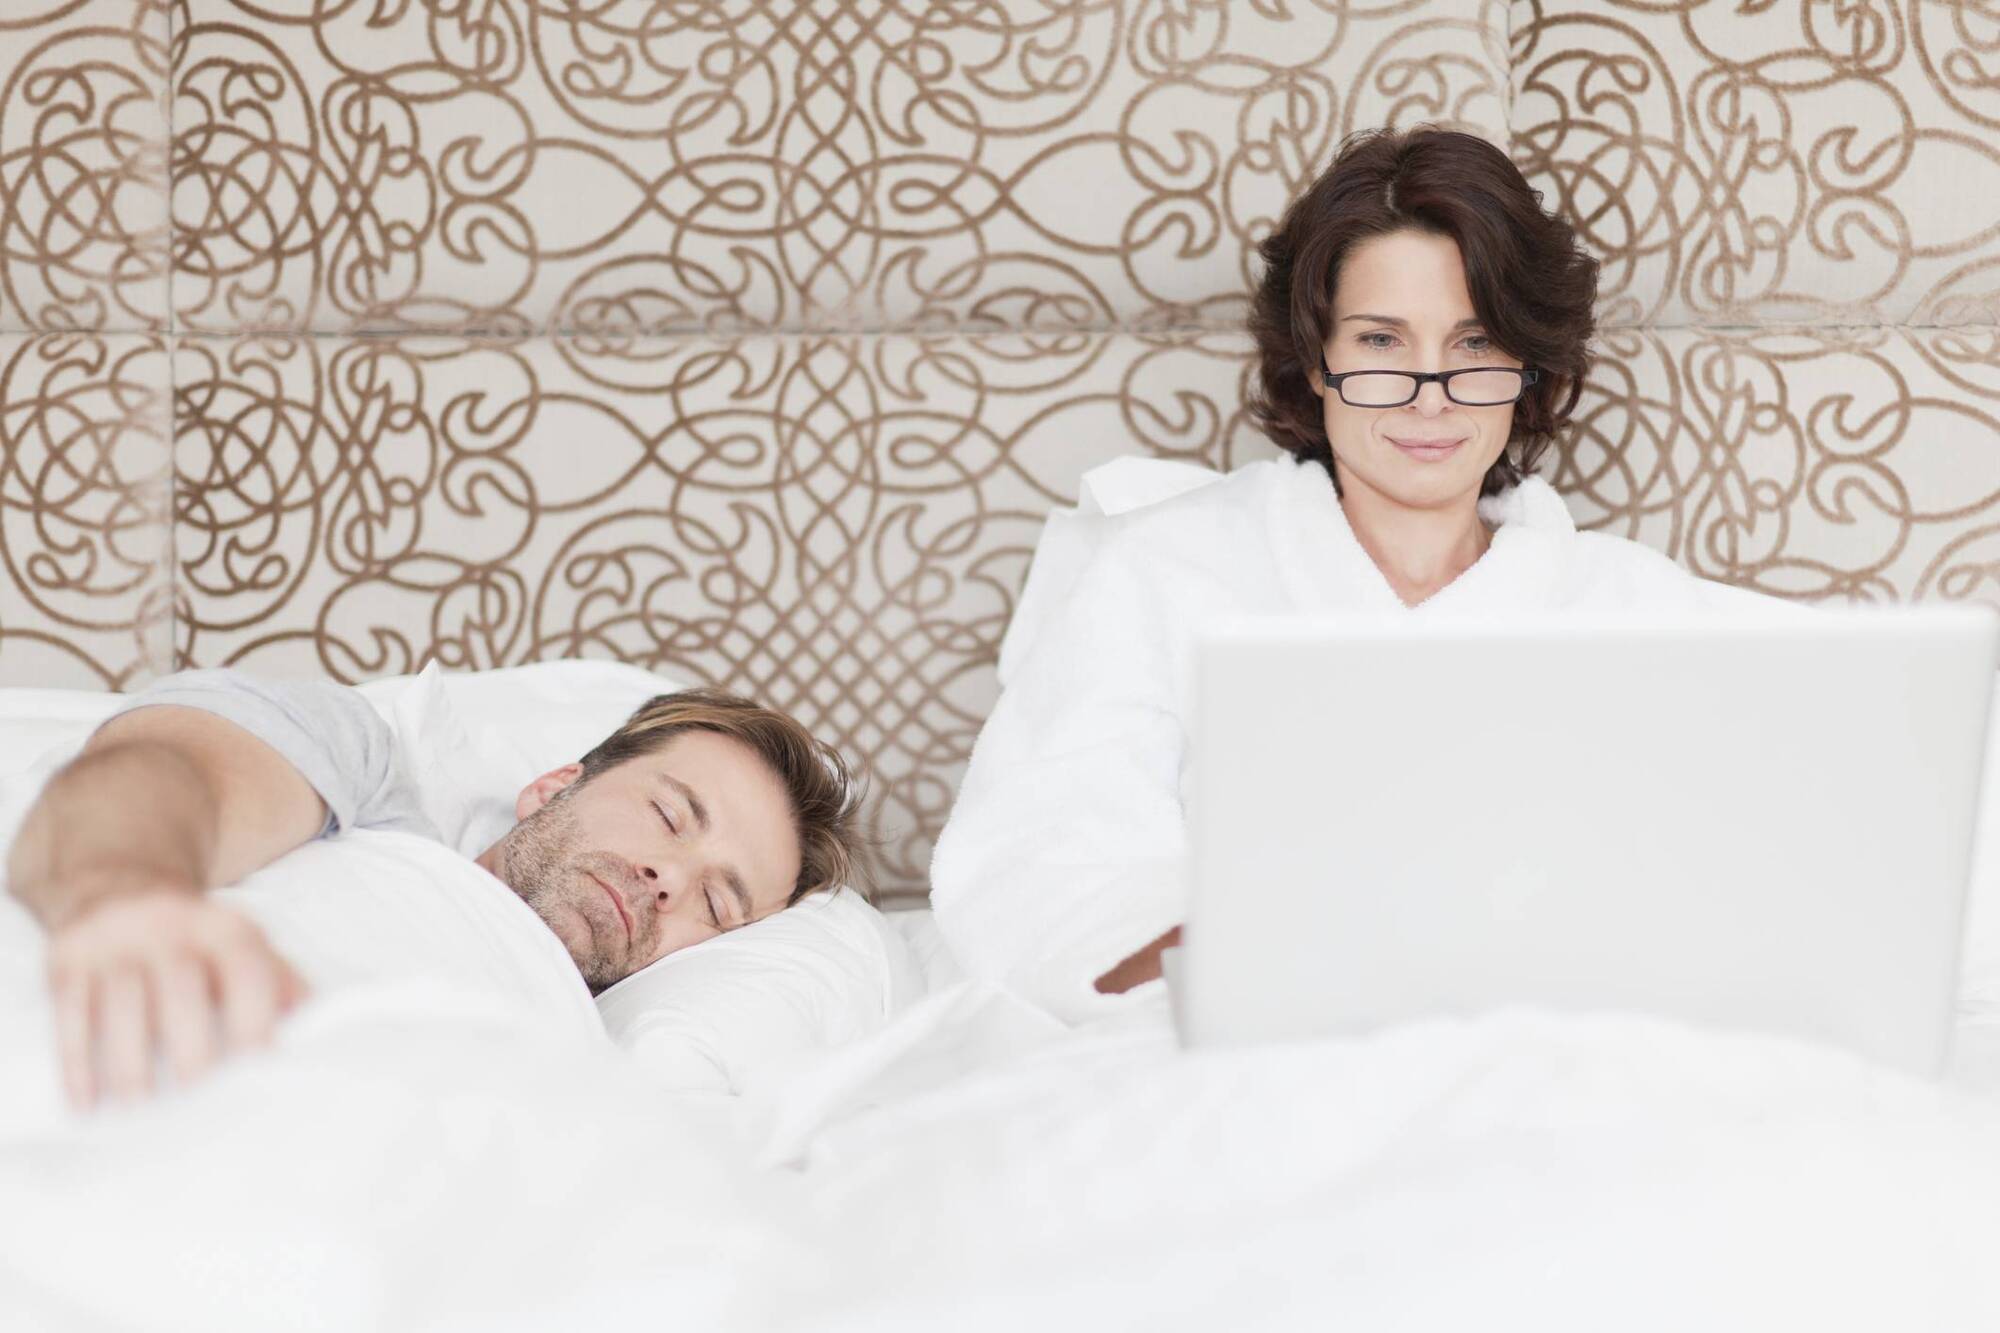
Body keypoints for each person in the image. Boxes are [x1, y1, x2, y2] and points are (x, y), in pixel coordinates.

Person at [928, 126, 1790, 1021]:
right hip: (1241, 1037)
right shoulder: (1164, 573)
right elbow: (1042, 861)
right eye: (1382, 340)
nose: (1430, 394)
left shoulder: (1634, 607)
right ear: (1317, 359)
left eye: (1473, 344)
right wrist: (1264, 949)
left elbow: (1775, 856)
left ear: (1527, 363)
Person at [6, 670, 862, 1108]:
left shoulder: (597, 1080)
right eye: (668, 814)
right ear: (554, 784)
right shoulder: (367, 792)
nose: (669, 877)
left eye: (716, 903)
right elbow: (171, 772)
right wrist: (126, 891)